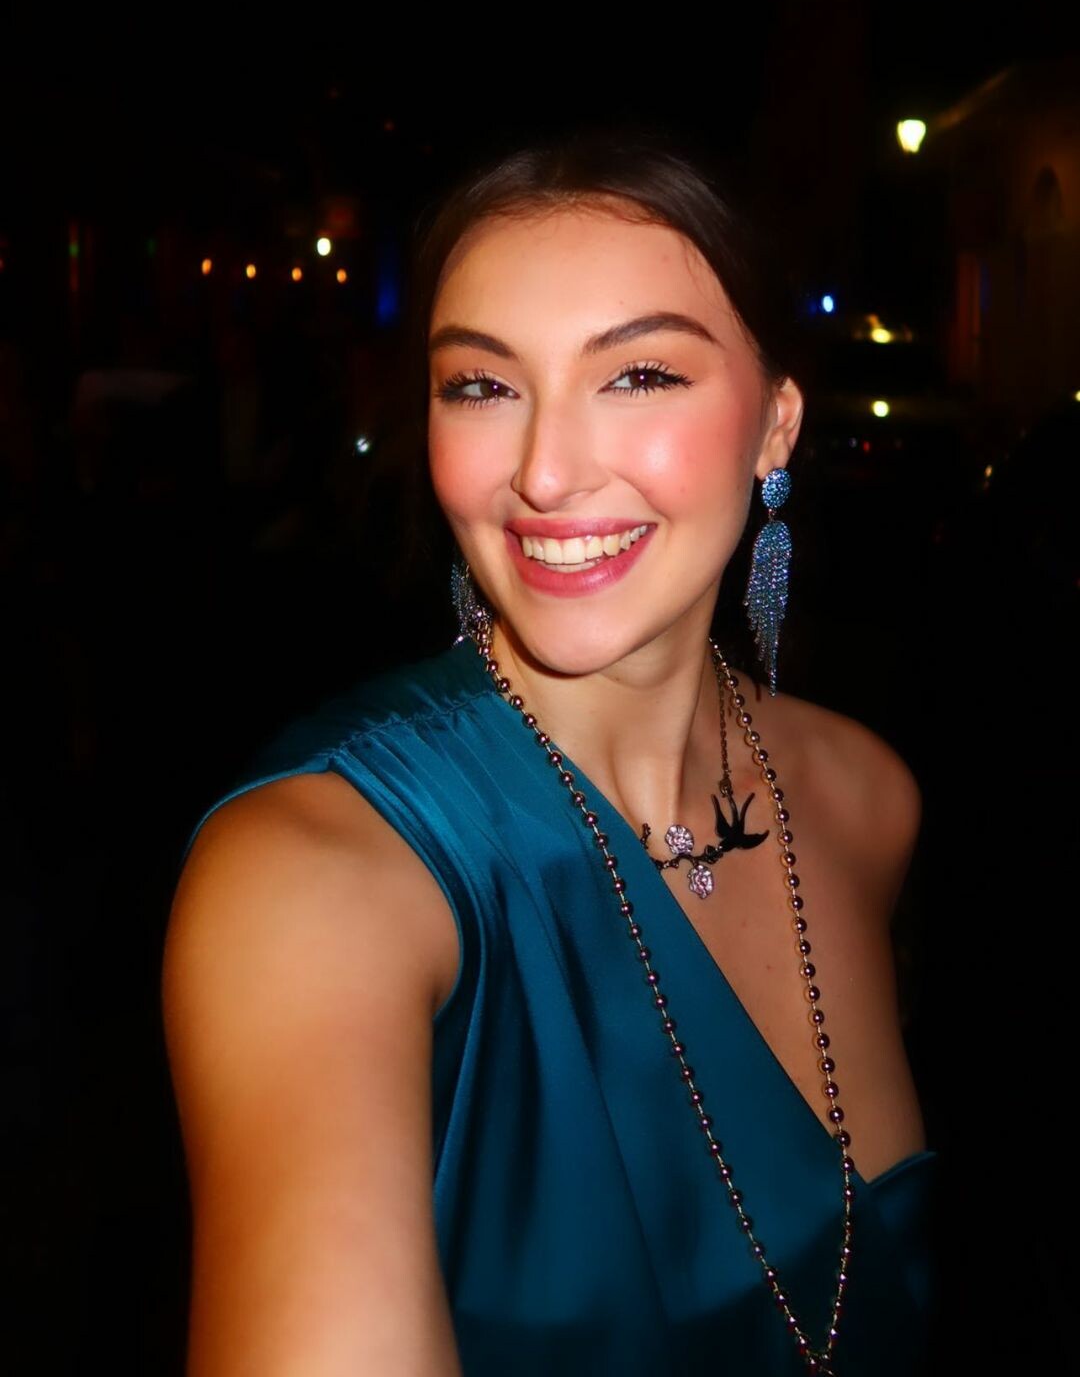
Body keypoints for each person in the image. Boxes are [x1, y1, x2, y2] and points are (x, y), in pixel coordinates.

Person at [162, 128, 936, 1376]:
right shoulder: (313, 874)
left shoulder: (866, 801)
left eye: (639, 375)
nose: (543, 471)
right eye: (482, 386)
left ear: (776, 421)